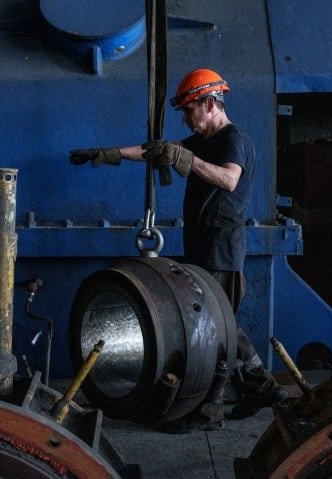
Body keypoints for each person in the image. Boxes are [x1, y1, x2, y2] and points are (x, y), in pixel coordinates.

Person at [70, 68, 285, 432]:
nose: (186, 118)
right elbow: (155, 151)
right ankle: (261, 386)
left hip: (221, 248)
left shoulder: (234, 139)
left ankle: (207, 411)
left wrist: (185, 160)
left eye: (190, 110)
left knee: (213, 331)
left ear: (210, 103)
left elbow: (229, 179)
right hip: (203, 245)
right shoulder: (203, 141)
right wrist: (109, 154)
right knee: (225, 324)